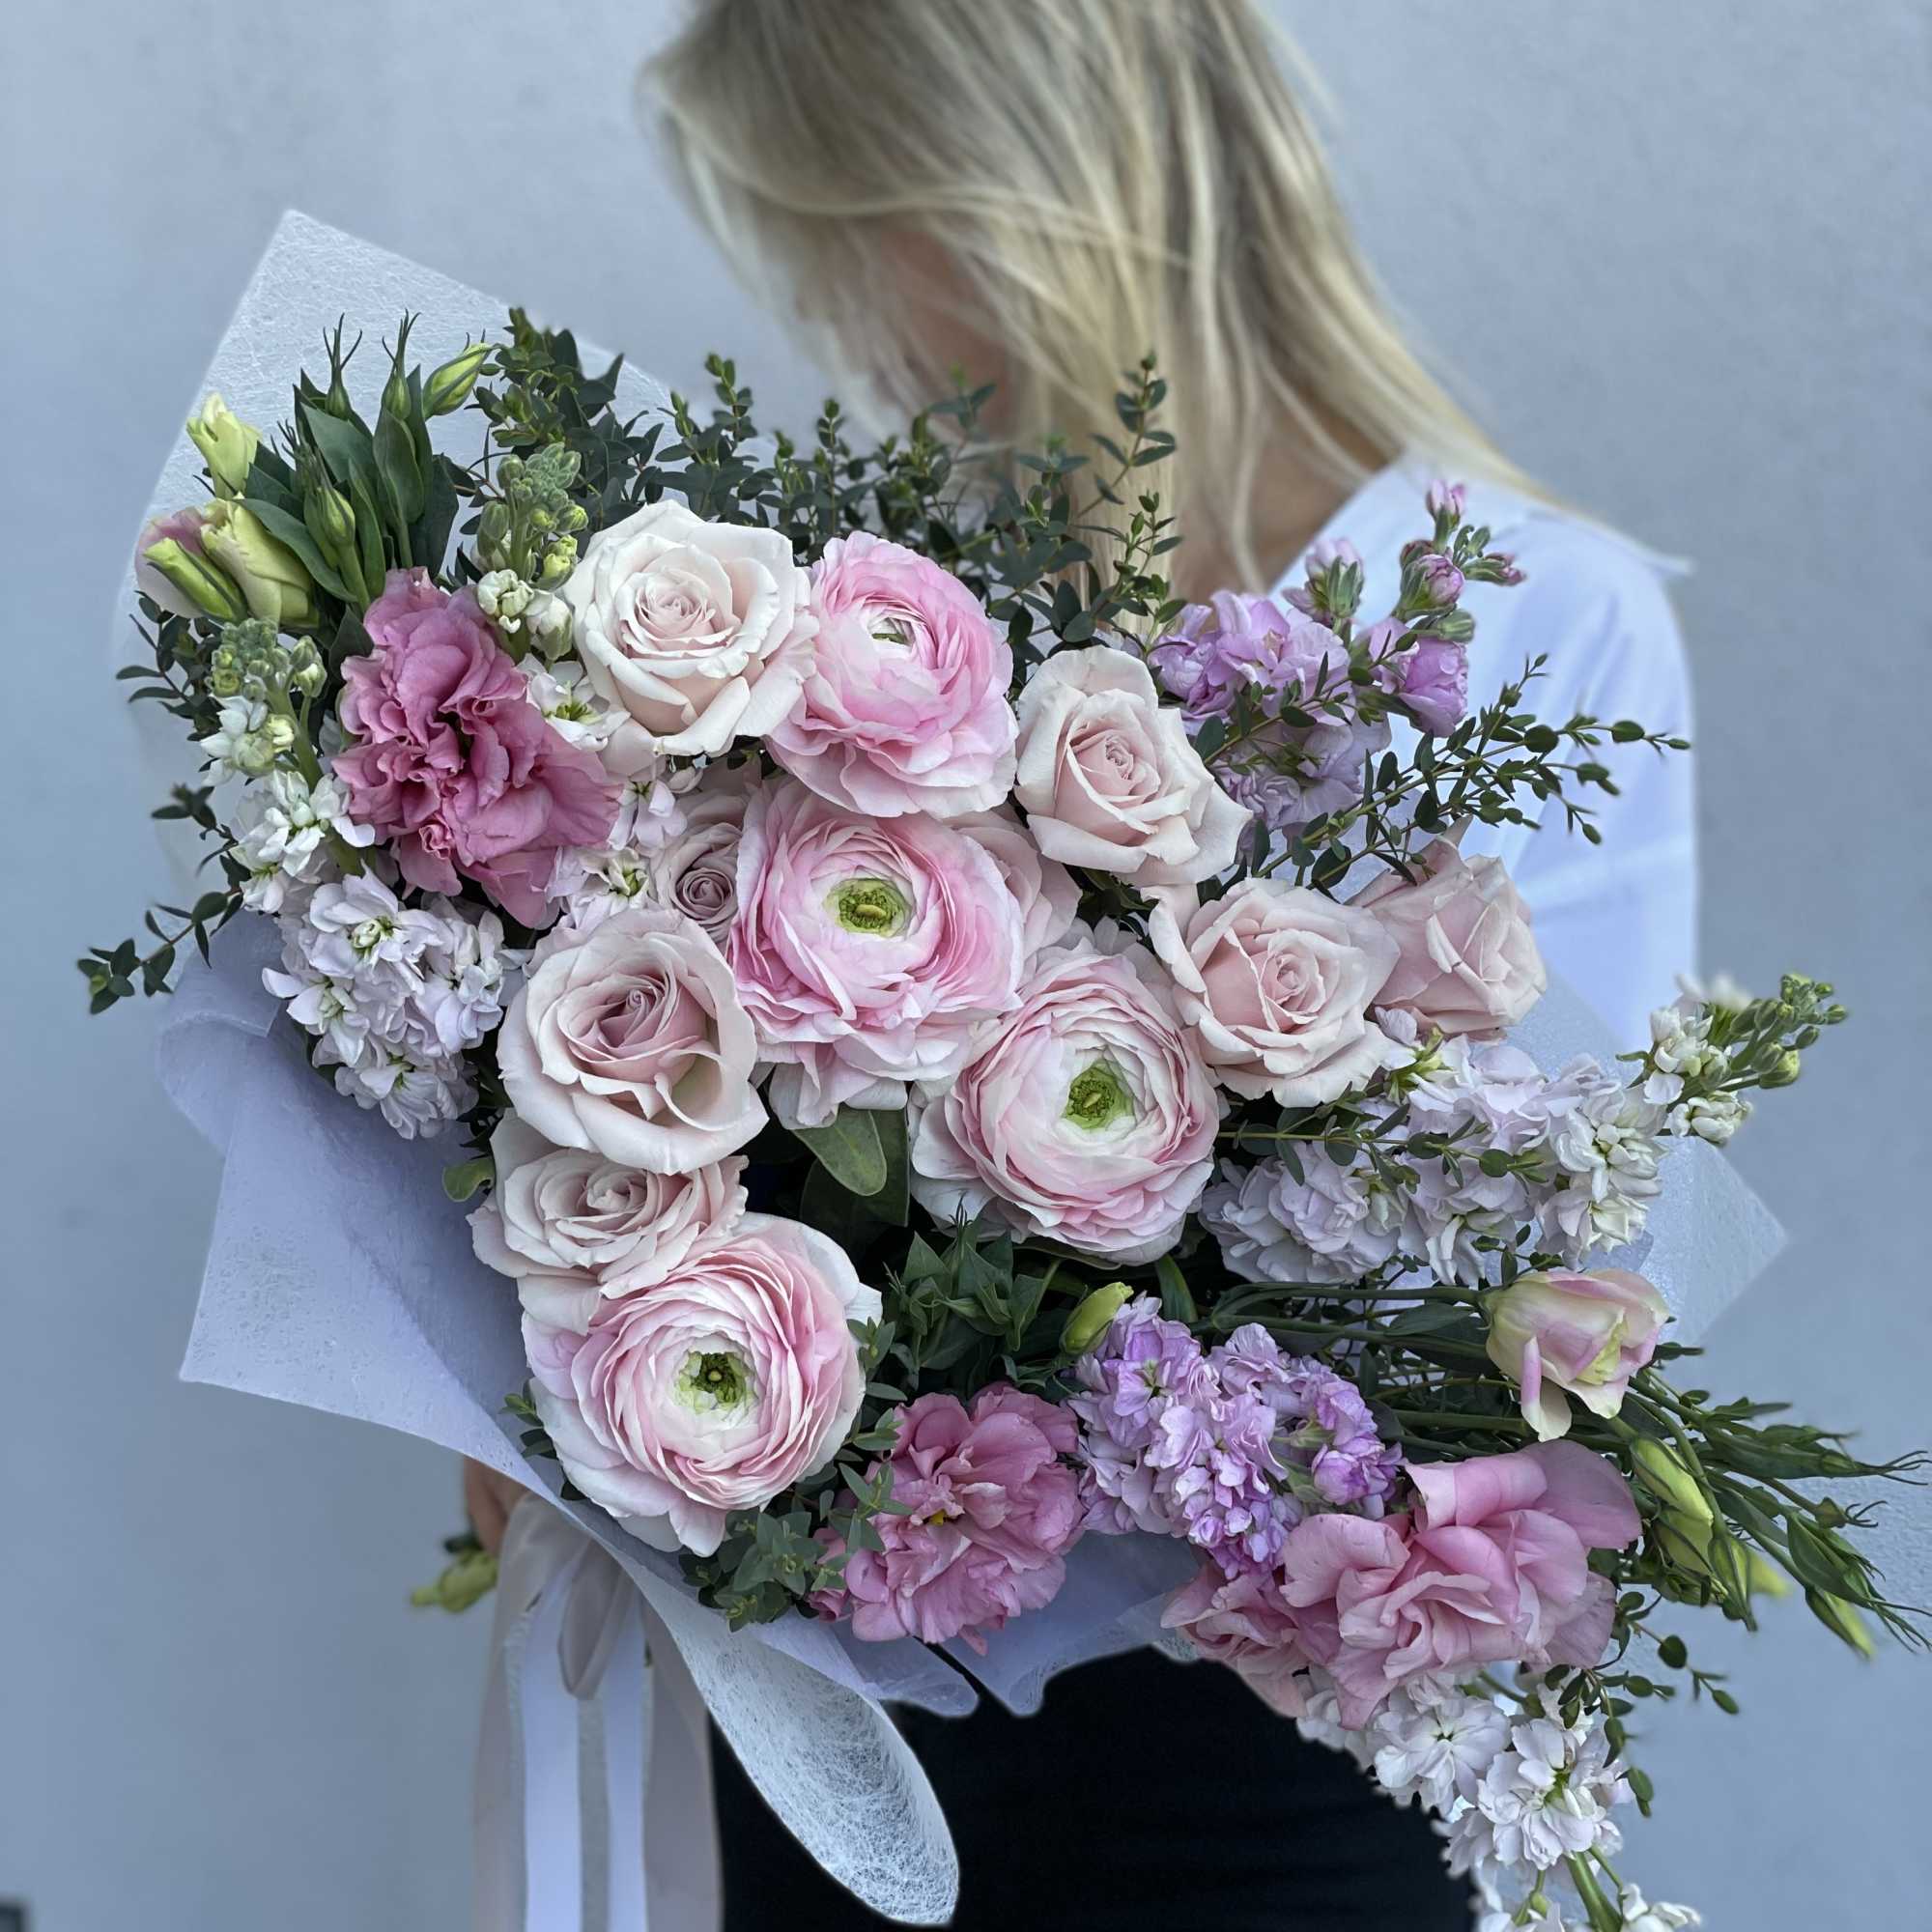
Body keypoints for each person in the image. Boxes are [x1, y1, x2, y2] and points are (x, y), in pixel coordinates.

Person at [470, 4, 1698, 1925]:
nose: (840, 323)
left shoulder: (1535, 618)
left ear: (992, 205)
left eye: (835, 241)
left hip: (1272, 1776)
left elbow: (1568, 1288)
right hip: (854, 1749)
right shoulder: (886, 609)